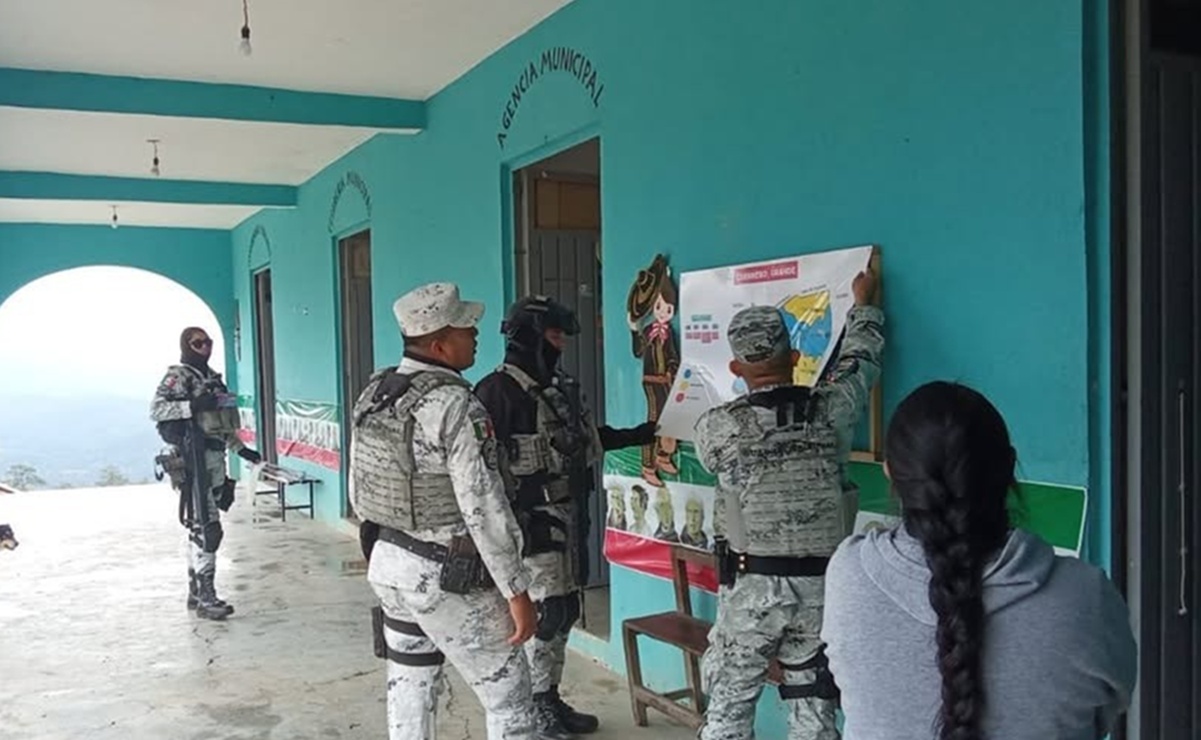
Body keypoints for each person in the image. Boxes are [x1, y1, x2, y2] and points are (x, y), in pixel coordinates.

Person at [821, 382, 1137, 740]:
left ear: (891, 472)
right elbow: (1108, 709)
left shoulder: (849, 577)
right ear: (1009, 466)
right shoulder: (1085, 599)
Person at [693, 264, 883, 740]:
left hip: (752, 590)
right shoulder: (833, 409)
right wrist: (864, 307)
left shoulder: (718, 427)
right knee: (814, 708)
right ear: (795, 355)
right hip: (822, 589)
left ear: (736, 369)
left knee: (728, 711)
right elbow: (862, 362)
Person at [350, 283, 543, 740]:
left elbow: (361, 486)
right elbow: (483, 505)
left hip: (389, 565)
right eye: (465, 328)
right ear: (439, 344)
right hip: (445, 574)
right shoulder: (456, 403)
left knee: (411, 688)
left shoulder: (376, 389)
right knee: (511, 697)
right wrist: (516, 591)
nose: (476, 335)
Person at [475, 295, 656, 737]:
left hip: (571, 518)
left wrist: (643, 433)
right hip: (530, 524)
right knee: (546, 613)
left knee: (567, 609)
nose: (560, 344)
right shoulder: (495, 392)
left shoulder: (561, 387)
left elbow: (586, 440)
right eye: (553, 335)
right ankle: (532, 704)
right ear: (529, 336)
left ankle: (548, 695)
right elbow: (477, 474)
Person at [151, 327, 262, 621]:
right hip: (194, 460)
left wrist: (242, 450)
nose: (205, 347)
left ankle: (196, 591)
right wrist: (191, 406)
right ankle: (207, 596)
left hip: (215, 459)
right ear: (186, 345)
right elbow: (157, 409)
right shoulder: (179, 375)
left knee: (199, 528)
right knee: (208, 528)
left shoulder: (212, 378)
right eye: (198, 343)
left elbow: (220, 424)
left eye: (208, 342)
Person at [627, 256, 680, 487]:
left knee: (671, 419)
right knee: (654, 421)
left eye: (668, 308)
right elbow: (638, 352)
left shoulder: (668, 333)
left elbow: (673, 356)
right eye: (659, 307)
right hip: (651, 381)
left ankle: (664, 454)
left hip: (665, 381)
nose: (663, 312)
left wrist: (672, 371)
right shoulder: (648, 332)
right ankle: (648, 466)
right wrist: (633, 330)